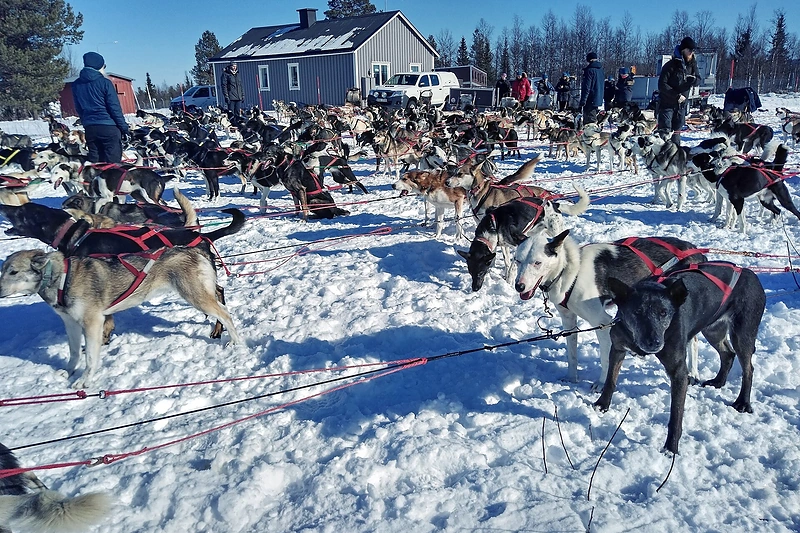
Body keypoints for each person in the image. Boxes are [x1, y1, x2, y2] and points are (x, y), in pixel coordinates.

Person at [71, 52, 130, 164]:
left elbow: (79, 108)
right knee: (112, 166)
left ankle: (94, 180)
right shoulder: (105, 83)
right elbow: (114, 108)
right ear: (99, 66)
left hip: (90, 129)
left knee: (96, 163)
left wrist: (86, 123)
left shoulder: (76, 85)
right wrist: (124, 128)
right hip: (109, 127)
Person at [658, 36, 699, 145]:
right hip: (667, 104)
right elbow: (662, 84)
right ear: (683, 50)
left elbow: (699, 79)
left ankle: (674, 158)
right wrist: (676, 95)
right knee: (665, 134)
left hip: (681, 106)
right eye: (689, 50)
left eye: (693, 51)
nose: (691, 53)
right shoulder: (670, 66)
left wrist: (694, 81)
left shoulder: (692, 65)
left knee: (676, 135)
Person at [579, 52, 605, 125]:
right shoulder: (601, 70)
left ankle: (591, 135)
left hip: (590, 98)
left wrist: (583, 100)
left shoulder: (589, 70)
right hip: (597, 97)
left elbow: (587, 87)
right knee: (593, 117)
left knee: (589, 121)